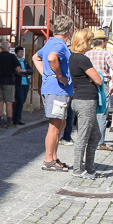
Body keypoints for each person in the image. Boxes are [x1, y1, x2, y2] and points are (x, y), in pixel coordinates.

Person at [32, 15, 74, 171]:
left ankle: (54, 158)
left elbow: (35, 57)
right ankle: (48, 160)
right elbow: (51, 57)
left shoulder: (50, 42)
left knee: (60, 124)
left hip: (55, 89)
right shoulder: (59, 44)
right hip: (57, 90)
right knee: (55, 125)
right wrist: (59, 76)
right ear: (69, 31)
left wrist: (45, 74)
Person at [68, 29, 103, 178]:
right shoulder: (82, 59)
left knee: (95, 135)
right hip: (85, 100)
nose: (92, 44)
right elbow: (98, 80)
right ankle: (78, 170)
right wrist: (93, 77)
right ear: (84, 42)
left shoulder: (74, 58)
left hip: (82, 99)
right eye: (90, 41)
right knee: (83, 136)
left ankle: (89, 169)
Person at [86, 32, 113, 150]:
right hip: (102, 84)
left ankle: (88, 140)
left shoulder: (87, 54)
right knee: (102, 113)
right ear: (103, 42)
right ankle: (100, 142)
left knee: (89, 112)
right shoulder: (106, 54)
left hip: (88, 84)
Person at [0, 40, 20, 127]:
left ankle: (0, 120)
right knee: (8, 102)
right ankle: (9, 121)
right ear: (8, 48)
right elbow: (18, 69)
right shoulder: (12, 57)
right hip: (9, 81)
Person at [13, 46, 32, 125]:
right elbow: (17, 72)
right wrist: (22, 72)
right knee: (19, 101)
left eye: (22, 52)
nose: (22, 53)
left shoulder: (25, 61)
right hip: (18, 83)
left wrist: (25, 71)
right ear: (17, 53)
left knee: (22, 101)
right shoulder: (15, 61)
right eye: (20, 52)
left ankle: (17, 117)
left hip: (26, 83)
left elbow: (31, 70)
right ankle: (16, 119)